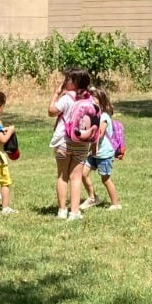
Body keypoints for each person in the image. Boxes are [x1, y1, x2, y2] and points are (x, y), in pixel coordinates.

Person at [48, 67, 91, 218]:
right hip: (82, 142)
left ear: (75, 82)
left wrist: (56, 94)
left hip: (63, 142)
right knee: (76, 177)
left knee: (62, 175)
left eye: (68, 79)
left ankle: (62, 210)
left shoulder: (66, 98)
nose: (65, 81)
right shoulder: (89, 98)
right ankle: (74, 211)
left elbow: (51, 111)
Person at [81, 86, 123, 211]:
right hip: (94, 153)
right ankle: (93, 197)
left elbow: (100, 134)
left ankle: (115, 204)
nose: (91, 100)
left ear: (101, 100)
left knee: (105, 179)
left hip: (104, 153)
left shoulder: (104, 117)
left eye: (94, 98)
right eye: (90, 98)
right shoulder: (93, 115)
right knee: (83, 174)